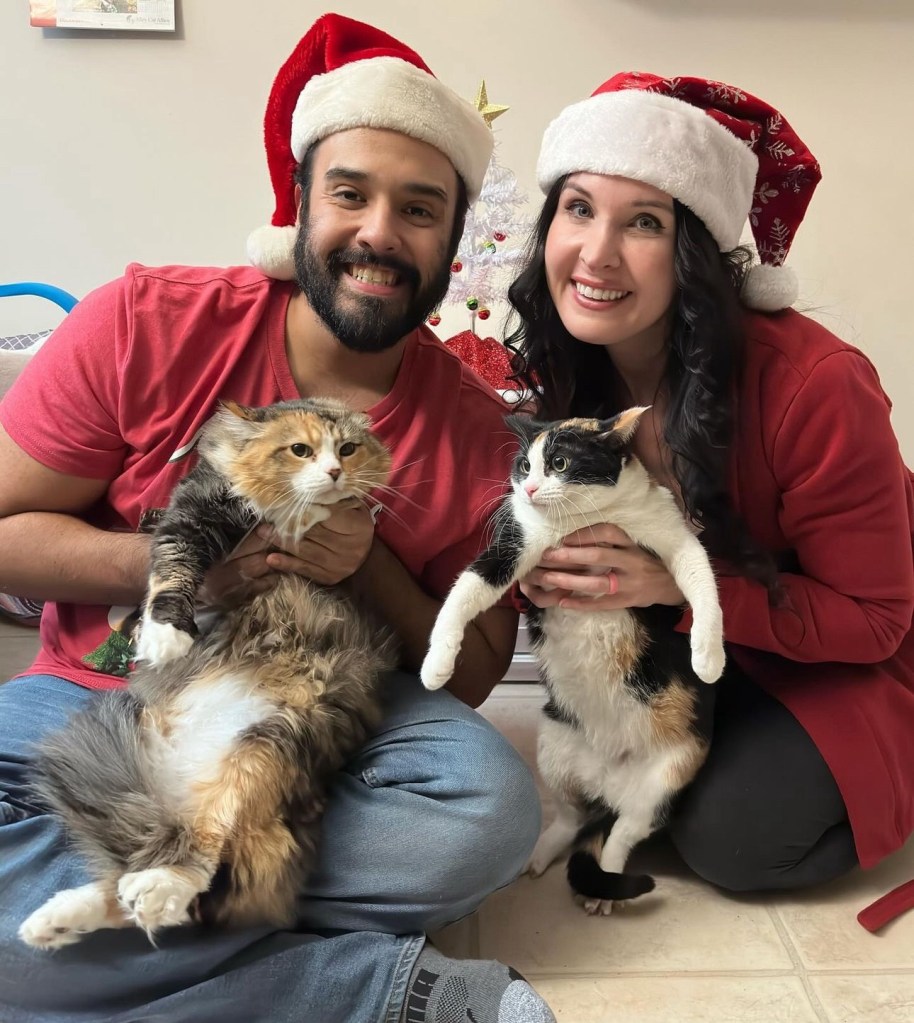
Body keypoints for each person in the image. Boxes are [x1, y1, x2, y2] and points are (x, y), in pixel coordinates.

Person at [0, 14, 555, 1023]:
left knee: (482, 814)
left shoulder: (476, 432)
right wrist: (184, 575)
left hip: (315, 726)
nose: (380, 231)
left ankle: (119, 912)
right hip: (92, 696)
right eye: (350, 193)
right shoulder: (142, 321)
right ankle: (365, 988)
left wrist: (363, 562)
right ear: (300, 202)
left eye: (419, 208)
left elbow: (473, 674)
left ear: (452, 235)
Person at [505, 72, 914, 932]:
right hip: (690, 657)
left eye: (643, 222)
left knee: (733, 843)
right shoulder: (577, 365)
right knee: (626, 792)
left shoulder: (816, 388)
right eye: (577, 209)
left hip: (843, 654)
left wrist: (668, 586)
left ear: (694, 252)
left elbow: (878, 619)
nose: (597, 253)